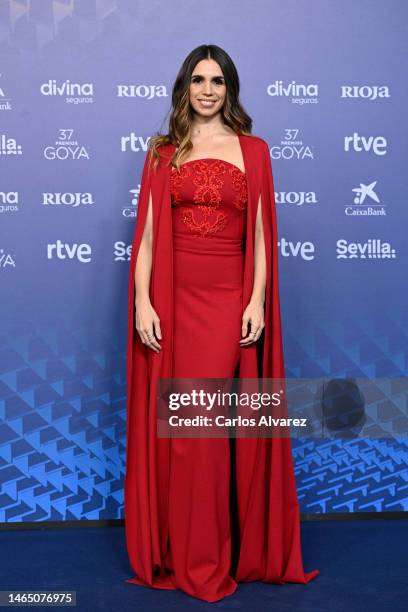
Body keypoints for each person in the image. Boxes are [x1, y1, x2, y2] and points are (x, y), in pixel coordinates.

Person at [124, 43, 319, 603]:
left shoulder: (254, 150)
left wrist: (256, 300)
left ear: (230, 89)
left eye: (218, 81)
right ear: (185, 87)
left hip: (226, 299)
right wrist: (143, 301)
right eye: (198, 80)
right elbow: (148, 239)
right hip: (173, 299)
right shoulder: (164, 151)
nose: (208, 90)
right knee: (186, 435)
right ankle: (188, 556)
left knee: (203, 433)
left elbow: (260, 236)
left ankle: (207, 560)